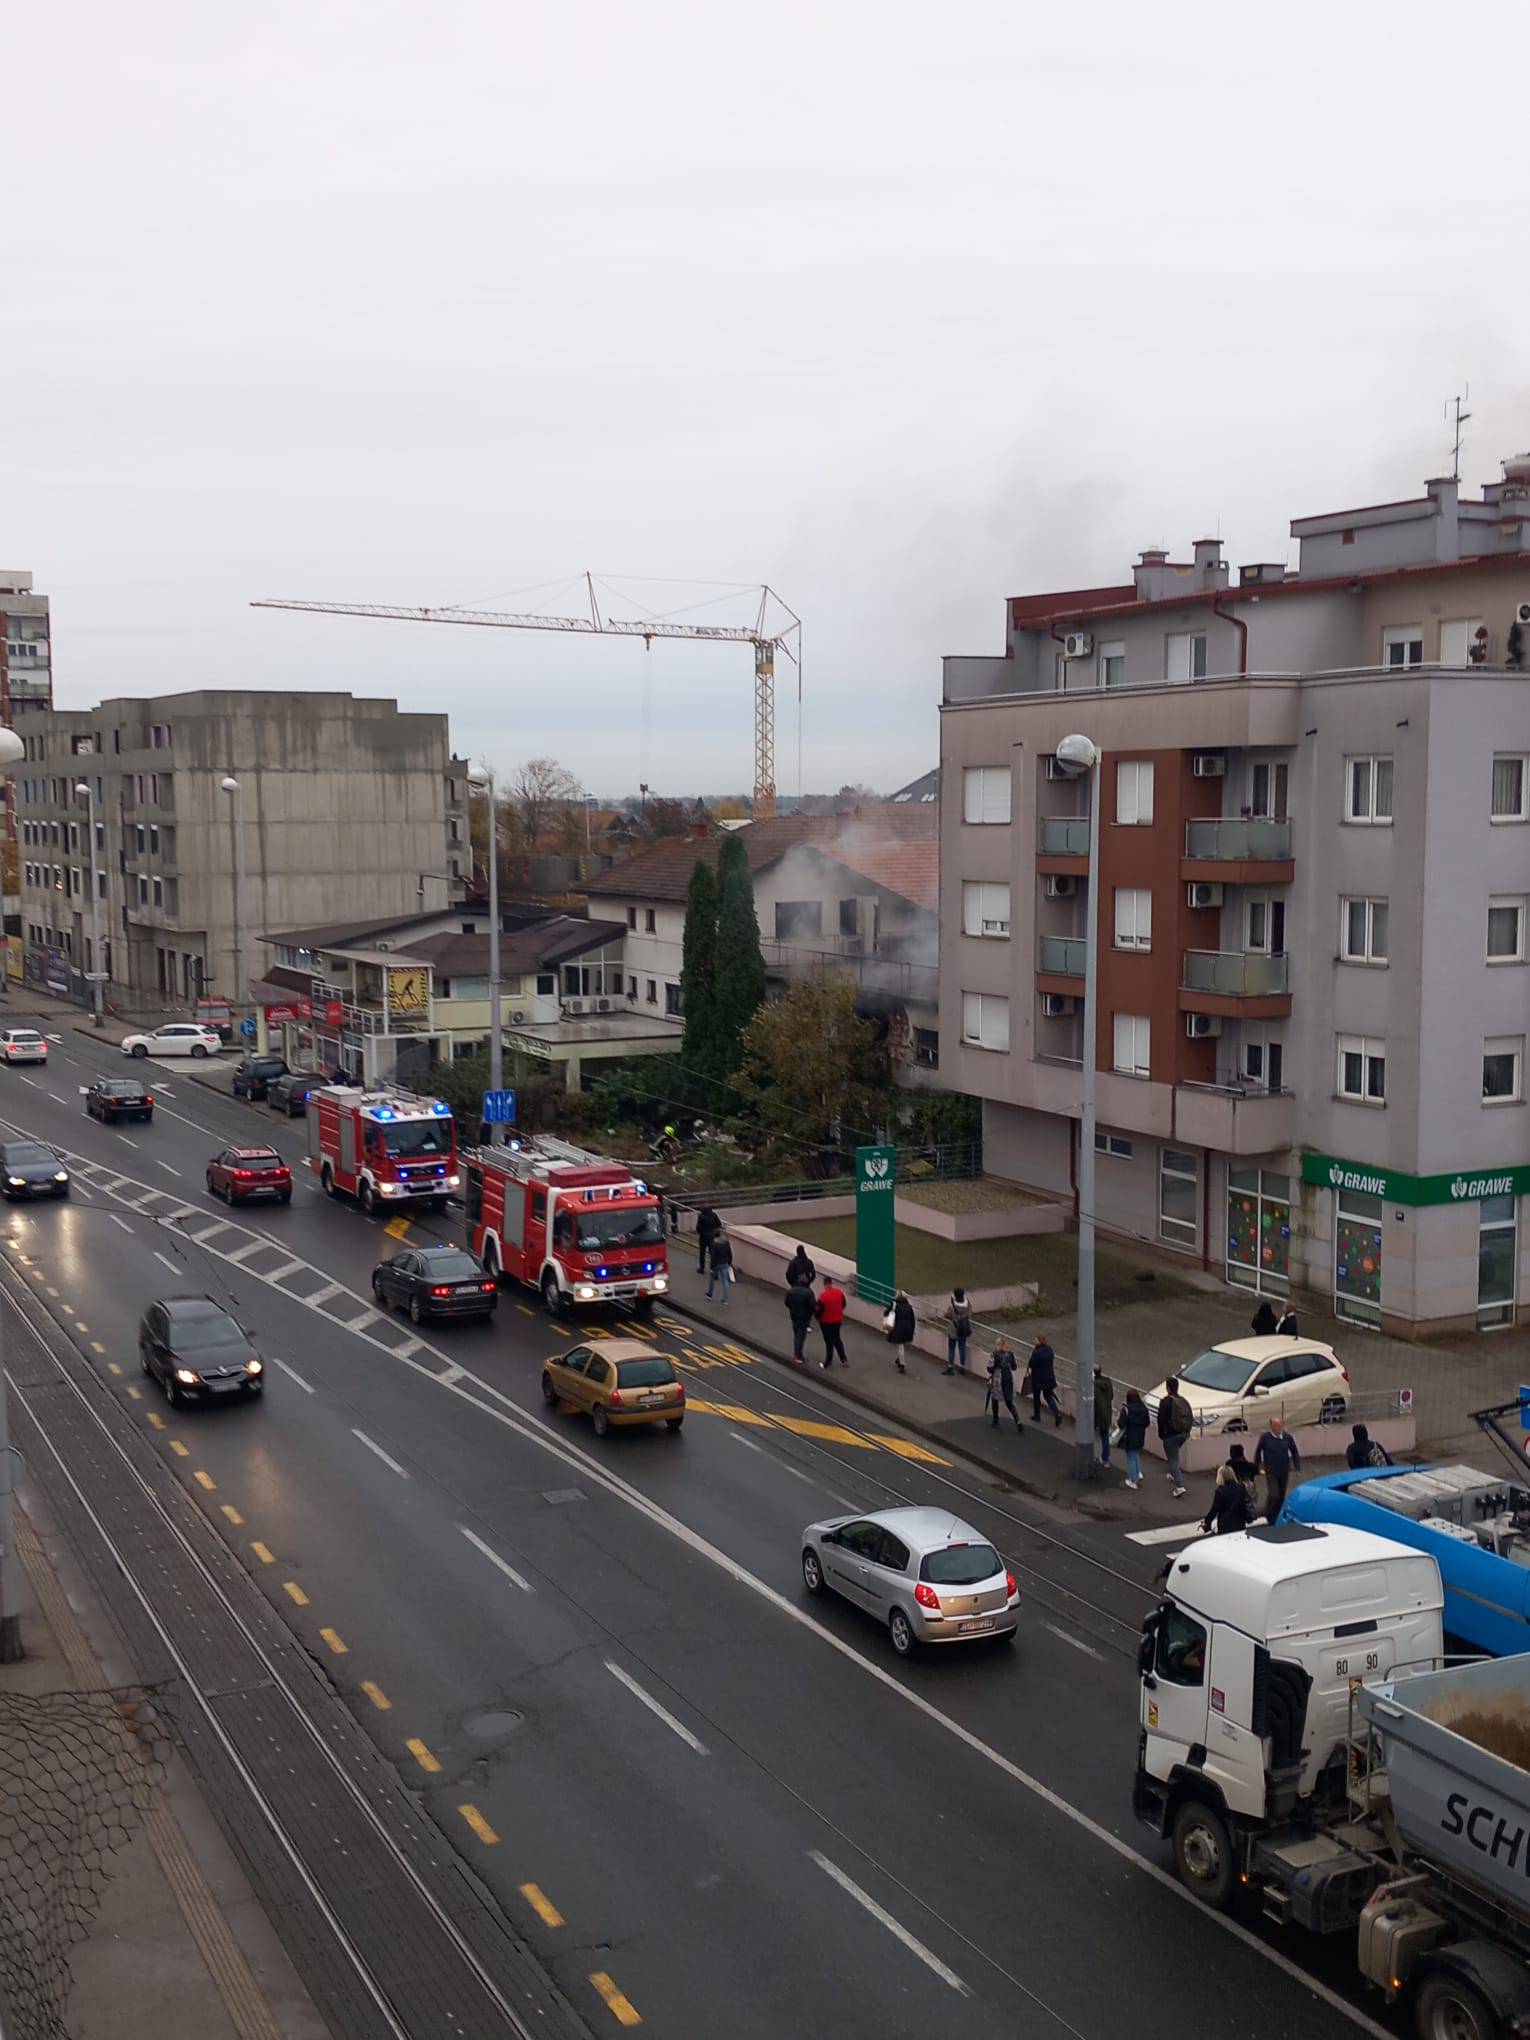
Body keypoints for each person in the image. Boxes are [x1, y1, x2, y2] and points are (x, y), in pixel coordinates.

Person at [1255, 1414, 1301, 1518]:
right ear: (1271, 1426)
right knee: (1274, 1493)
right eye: (1276, 1426)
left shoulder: (1287, 1437)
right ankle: (1269, 1512)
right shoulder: (1265, 1438)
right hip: (1270, 1470)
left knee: (1281, 1494)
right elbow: (1258, 1452)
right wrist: (1257, 1467)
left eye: (1280, 1425)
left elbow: (1294, 1452)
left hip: (1283, 1470)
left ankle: (1277, 1512)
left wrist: (1297, 1467)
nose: (1279, 1428)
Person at [1156, 1377, 1193, 1499]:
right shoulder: (1183, 1401)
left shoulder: (1166, 1401)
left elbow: (1161, 1419)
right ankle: (1174, 1474)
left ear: (1167, 1388)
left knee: (1173, 1459)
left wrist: (1161, 1434)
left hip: (1170, 1435)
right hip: (1183, 1433)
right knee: (1174, 1455)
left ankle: (1179, 1486)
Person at [1202, 1463, 1255, 1536]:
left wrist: (1207, 1521)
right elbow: (1246, 1502)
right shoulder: (1241, 1487)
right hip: (1239, 1523)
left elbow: (1214, 1510)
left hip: (1225, 1525)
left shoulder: (1220, 1491)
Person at [1117, 1387, 1150, 1489]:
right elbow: (1147, 1422)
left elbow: (1121, 1424)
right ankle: (1138, 1472)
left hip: (1129, 1435)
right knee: (1135, 1453)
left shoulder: (1126, 1409)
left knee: (1131, 1456)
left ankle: (1133, 1480)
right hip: (1140, 1435)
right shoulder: (1143, 1408)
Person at [987, 1341, 1023, 1432]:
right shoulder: (1010, 1354)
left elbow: (990, 1368)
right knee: (1009, 1401)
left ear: (998, 1346)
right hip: (1008, 1378)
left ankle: (996, 1421)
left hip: (998, 1378)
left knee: (995, 1399)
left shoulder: (994, 1354)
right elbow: (1014, 1367)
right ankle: (1018, 1421)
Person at [1027, 1334, 1061, 1425]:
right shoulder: (1050, 1350)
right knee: (1048, 1396)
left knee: (1037, 1397)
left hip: (1037, 1378)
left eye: (1035, 1339)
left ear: (1039, 1341)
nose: (1034, 1341)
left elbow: (1031, 1364)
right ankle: (1057, 1413)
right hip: (1049, 1378)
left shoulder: (1036, 1352)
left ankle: (1037, 1416)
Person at [815, 1277, 848, 1368]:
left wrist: (817, 1318)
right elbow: (844, 1304)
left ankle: (828, 1361)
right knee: (837, 1339)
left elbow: (818, 1310)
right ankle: (844, 1359)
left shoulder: (823, 1296)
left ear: (825, 1284)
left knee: (829, 1342)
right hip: (837, 1320)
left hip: (826, 1322)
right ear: (831, 1283)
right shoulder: (839, 1292)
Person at [784, 1276, 817, 1363]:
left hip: (794, 1315)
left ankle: (797, 1354)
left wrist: (793, 1308)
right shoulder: (808, 1292)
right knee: (801, 1336)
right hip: (804, 1317)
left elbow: (787, 1302)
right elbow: (813, 1305)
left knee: (796, 1334)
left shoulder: (791, 1290)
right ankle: (798, 1356)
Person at [943, 1287, 973, 1375]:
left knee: (951, 1348)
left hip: (953, 1329)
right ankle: (962, 1366)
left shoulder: (953, 1306)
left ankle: (950, 1367)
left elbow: (947, 1315)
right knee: (962, 1347)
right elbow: (970, 1313)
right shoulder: (967, 1304)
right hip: (964, 1329)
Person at [885, 1291, 915, 1374]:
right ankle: (899, 1359)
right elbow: (912, 1319)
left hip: (898, 1328)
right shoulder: (909, 1306)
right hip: (908, 1329)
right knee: (901, 1345)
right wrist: (912, 1330)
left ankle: (902, 1364)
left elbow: (886, 1313)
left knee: (900, 1346)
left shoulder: (895, 1304)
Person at [1092, 1364, 1114, 1466]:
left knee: (1091, 1435)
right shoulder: (1108, 1382)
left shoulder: (1094, 1385)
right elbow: (1111, 1397)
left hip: (1097, 1415)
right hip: (1107, 1413)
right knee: (1105, 1437)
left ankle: (1091, 1455)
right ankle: (1105, 1459)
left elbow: (1094, 1401)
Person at [705, 1227, 733, 1303]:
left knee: (712, 1279)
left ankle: (709, 1294)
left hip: (717, 1264)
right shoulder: (726, 1242)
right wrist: (729, 1262)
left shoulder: (714, 1243)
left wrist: (711, 1266)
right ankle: (725, 1299)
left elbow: (713, 1256)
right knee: (725, 1281)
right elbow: (730, 1253)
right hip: (725, 1263)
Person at [695, 1206, 721, 1275]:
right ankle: (713, 1269)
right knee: (712, 1253)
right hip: (712, 1237)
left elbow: (698, 1228)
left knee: (702, 1253)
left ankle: (702, 1268)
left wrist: (701, 1232)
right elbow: (719, 1224)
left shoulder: (701, 1216)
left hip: (703, 1237)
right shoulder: (714, 1215)